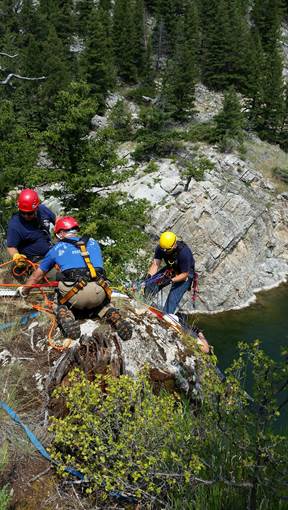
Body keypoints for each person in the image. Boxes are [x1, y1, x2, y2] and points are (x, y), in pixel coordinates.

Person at [18, 216, 132, 341]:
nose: (56, 238)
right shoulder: (94, 242)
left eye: (56, 235)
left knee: (56, 297)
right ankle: (109, 311)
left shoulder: (57, 248)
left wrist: (24, 291)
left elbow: (37, 276)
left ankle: (65, 313)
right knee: (102, 303)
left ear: (61, 233)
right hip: (100, 291)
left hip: (75, 294)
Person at [7, 189, 56, 275]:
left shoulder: (43, 210)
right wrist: (16, 256)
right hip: (34, 261)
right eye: (23, 212)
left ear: (37, 208)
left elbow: (57, 221)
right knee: (58, 276)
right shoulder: (15, 224)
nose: (26, 216)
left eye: (30, 213)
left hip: (52, 252)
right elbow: (11, 246)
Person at [144, 231, 195, 314]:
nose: (165, 251)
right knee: (150, 285)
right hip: (172, 269)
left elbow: (185, 275)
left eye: (167, 250)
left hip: (185, 275)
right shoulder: (161, 248)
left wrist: (171, 280)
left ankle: (165, 317)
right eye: (164, 250)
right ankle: (143, 303)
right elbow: (155, 264)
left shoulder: (184, 253)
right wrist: (149, 277)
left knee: (171, 301)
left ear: (174, 245)